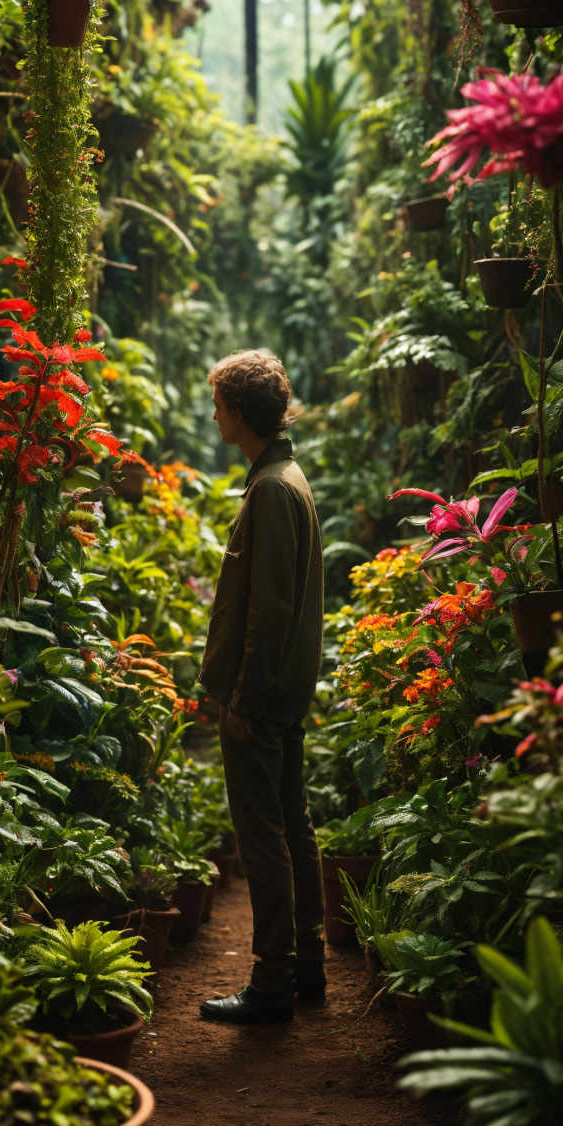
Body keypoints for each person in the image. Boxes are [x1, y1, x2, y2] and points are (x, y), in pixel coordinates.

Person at [198, 348, 326, 1025]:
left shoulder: (272, 489)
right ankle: (306, 964)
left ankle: (273, 980)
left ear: (241, 413)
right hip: (284, 689)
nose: (214, 413)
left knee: (264, 834)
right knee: (292, 826)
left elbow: (269, 609)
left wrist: (240, 697)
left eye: (220, 403)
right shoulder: (283, 478)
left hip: (264, 695)